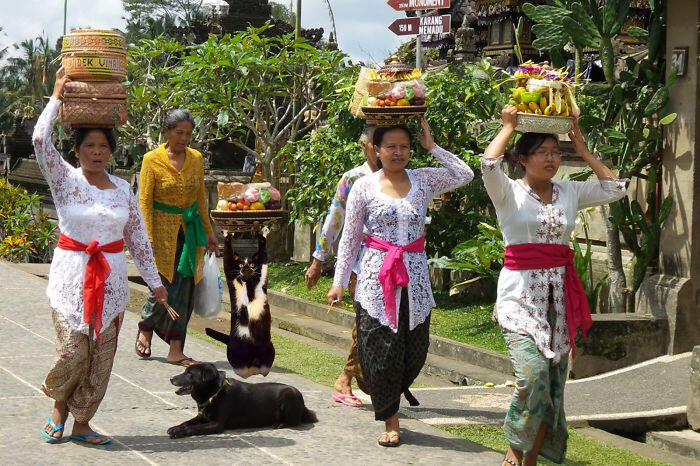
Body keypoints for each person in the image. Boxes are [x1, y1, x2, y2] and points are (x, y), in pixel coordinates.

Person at [483, 105, 626, 466]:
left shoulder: (569, 192)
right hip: (519, 297)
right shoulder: (508, 192)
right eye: (542, 152)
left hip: (559, 300)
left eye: (554, 152)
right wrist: (508, 126)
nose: (550, 158)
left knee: (554, 385)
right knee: (532, 376)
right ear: (523, 158)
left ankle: (531, 458)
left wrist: (583, 151)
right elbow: (488, 164)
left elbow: (616, 189)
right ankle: (515, 447)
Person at [34, 68, 167, 445]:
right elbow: (41, 139)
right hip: (69, 280)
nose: (96, 152)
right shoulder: (64, 180)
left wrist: (155, 283)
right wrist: (57, 96)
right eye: (89, 146)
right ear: (76, 151)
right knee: (74, 352)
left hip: (111, 283)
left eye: (103, 146)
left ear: (111, 151)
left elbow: (138, 239)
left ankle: (82, 425)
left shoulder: (123, 189)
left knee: (101, 360)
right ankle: (59, 407)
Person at [327, 116, 473, 447]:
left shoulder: (423, 180)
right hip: (375, 280)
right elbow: (350, 239)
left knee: (414, 351)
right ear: (376, 150)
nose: (398, 152)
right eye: (390, 146)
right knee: (382, 350)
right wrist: (338, 281)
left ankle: (383, 390)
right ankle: (390, 419)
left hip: (415, 279)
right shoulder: (364, 186)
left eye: (404, 147)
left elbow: (465, 174)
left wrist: (431, 146)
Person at [136, 108, 218, 366]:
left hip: (190, 233)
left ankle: (176, 349)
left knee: (185, 289)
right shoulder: (151, 159)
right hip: (160, 234)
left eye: (188, 133)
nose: (184, 138)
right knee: (161, 286)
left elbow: (200, 199)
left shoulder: (196, 158)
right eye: (179, 132)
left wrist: (209, 231)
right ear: (167, 132)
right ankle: (146, 326)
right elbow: (144, 201)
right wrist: (146, 238)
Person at [305, 124, 378, 408]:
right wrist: (318, 260)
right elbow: (335, 218)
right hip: (360, 264)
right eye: (376, 143)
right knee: (365, 324)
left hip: (395, 265)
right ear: (365, 146)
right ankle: (345, 379)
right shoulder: (353, 178)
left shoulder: (401, 178)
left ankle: (366, 380)